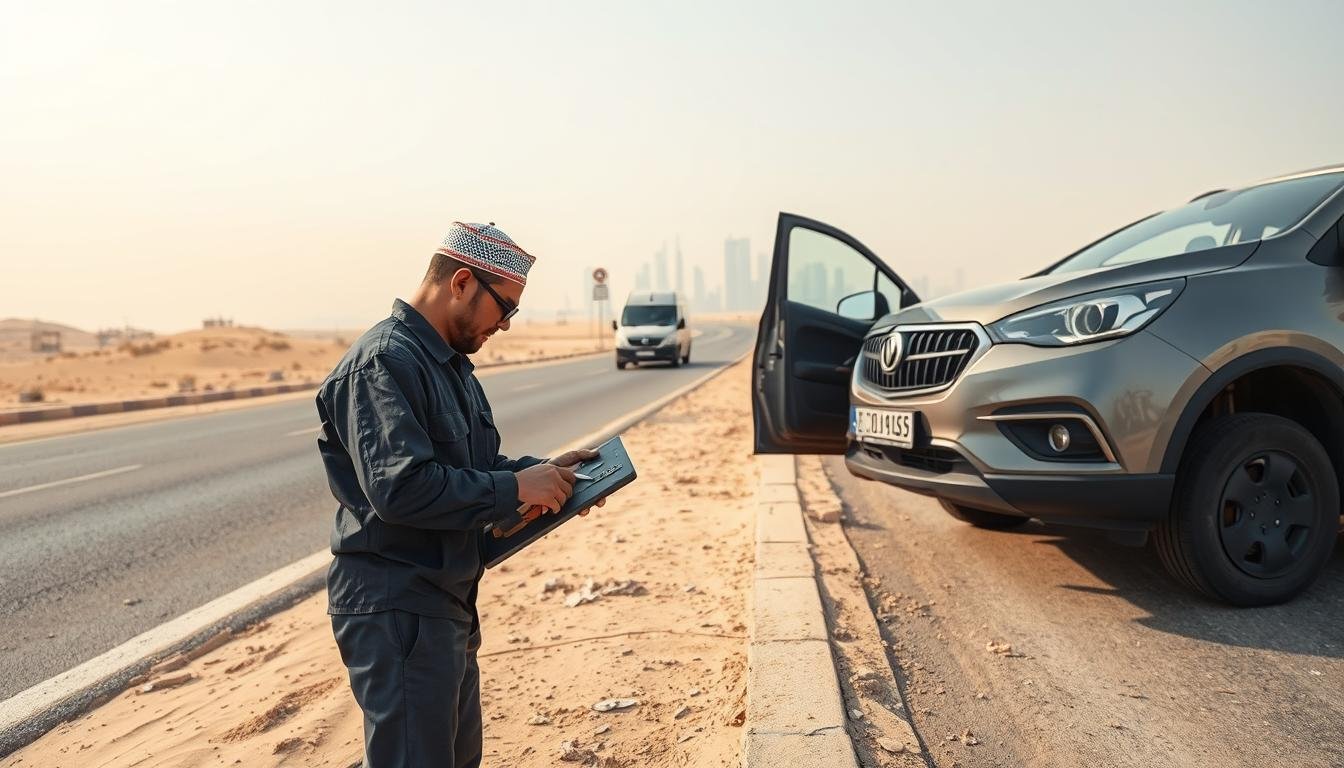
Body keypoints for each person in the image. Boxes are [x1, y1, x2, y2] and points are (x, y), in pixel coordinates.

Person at [315, 221, 603, 767]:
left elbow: (473, 470)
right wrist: (514, 487)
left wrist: (544, 475)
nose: (507, 325)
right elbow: (400, 488)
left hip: (445, 603)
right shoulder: (384, 362)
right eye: (506, 308)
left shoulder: (452, 368)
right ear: (463, 282)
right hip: (397, 604)